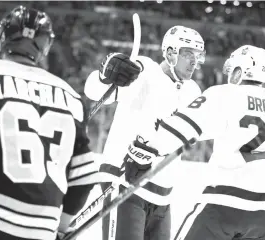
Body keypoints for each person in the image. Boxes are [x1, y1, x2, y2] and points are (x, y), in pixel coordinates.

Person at [122, 45, 265, 240]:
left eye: (233, 69)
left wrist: (143, 150)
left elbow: (182, 127)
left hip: (225, 205)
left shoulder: (226, 94)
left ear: (240, 70)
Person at [0, 6, 140, 240]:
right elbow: (85, 176)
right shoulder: (70, 97)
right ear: (45, 46)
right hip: (43, 229)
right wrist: (61, 227)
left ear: (3, 37)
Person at [84, 26, 206, 240]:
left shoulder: (193, 91)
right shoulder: (144, 71)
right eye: (188, 54)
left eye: (198, 55)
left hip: (162, 196)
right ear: (170, 53)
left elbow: (195, 136)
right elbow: (93, 91)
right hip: (124, 183)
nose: (194, 61)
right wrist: (105, 75)